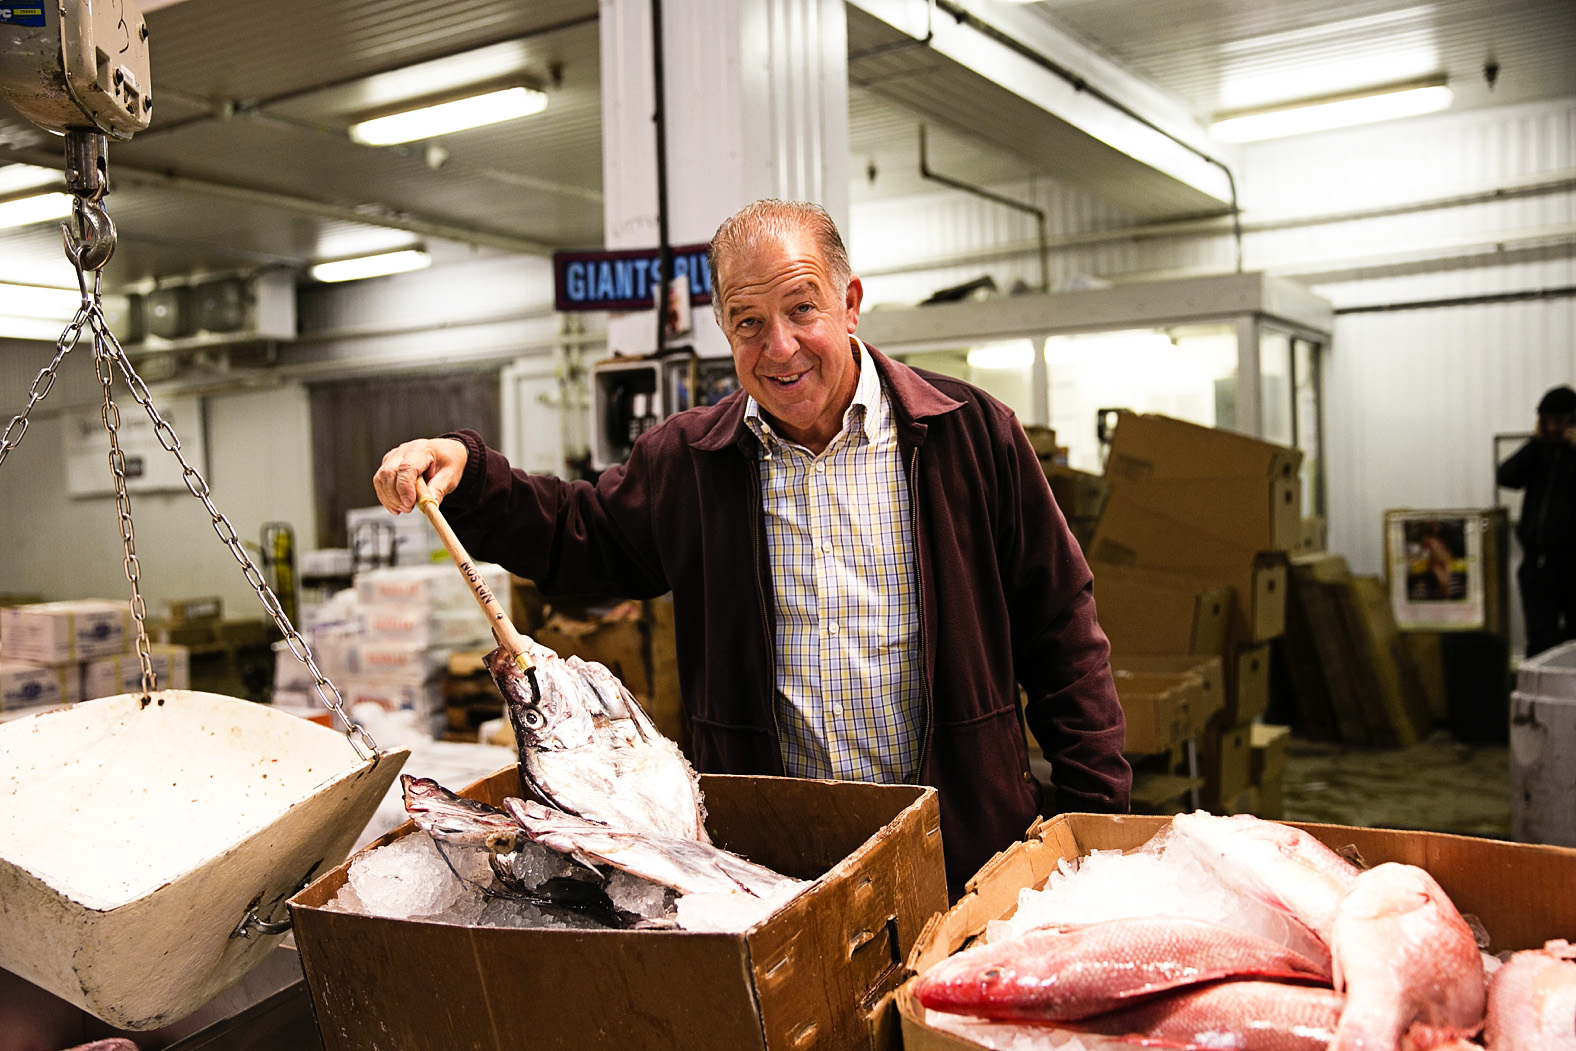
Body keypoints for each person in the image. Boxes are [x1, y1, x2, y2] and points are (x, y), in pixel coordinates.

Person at [374, 199, 1130, 893]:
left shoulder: (968, 434)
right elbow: (579, 532)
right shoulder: (691, 461)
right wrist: (471, 476)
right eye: (747, 323)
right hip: (775, 872)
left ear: (851, 303)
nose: (780, 347)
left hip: (967, 855)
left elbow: (1062, 629)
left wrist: (1097, 822)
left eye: (803, 309)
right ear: (723, 329)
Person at [1498, 384, 1576, 658]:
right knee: (1540, 643)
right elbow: (1506, 476)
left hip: (1572, 565)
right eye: (1548, 420)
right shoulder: (1538, 453)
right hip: (1536, 566)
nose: (1554, 427)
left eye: (1560, 420)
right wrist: (1535, 442)